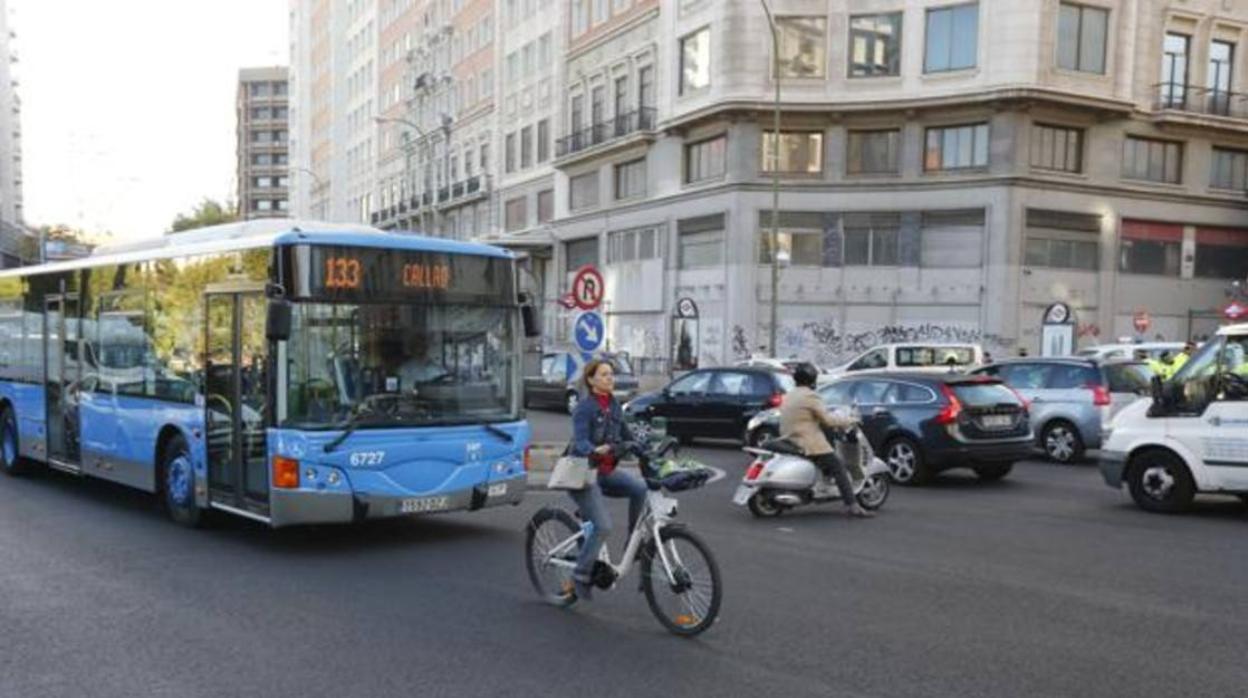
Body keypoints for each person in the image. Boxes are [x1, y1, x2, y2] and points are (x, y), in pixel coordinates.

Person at [565, 359, 649, 600]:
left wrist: (647, 448)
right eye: (603, 375)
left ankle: (632, 546)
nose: (610, 378)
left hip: (604, 473)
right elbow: (579, 441)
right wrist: (593, 449)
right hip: (582, 474)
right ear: (591, 380)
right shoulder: (584, 407)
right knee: (603, 526)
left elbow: (628, 437)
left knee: (640, 489)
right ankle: (580, 576)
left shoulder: (614, 405)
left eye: (611, 374)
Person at [779, 363, 873, 519]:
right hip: (806, 440)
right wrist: (850, 420)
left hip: (789, 437)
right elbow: (828, 421)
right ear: (812, 379)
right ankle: (852, 505)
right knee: (838, 467)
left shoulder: (790, 394)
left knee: (826, 448)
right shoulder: (810, 396)